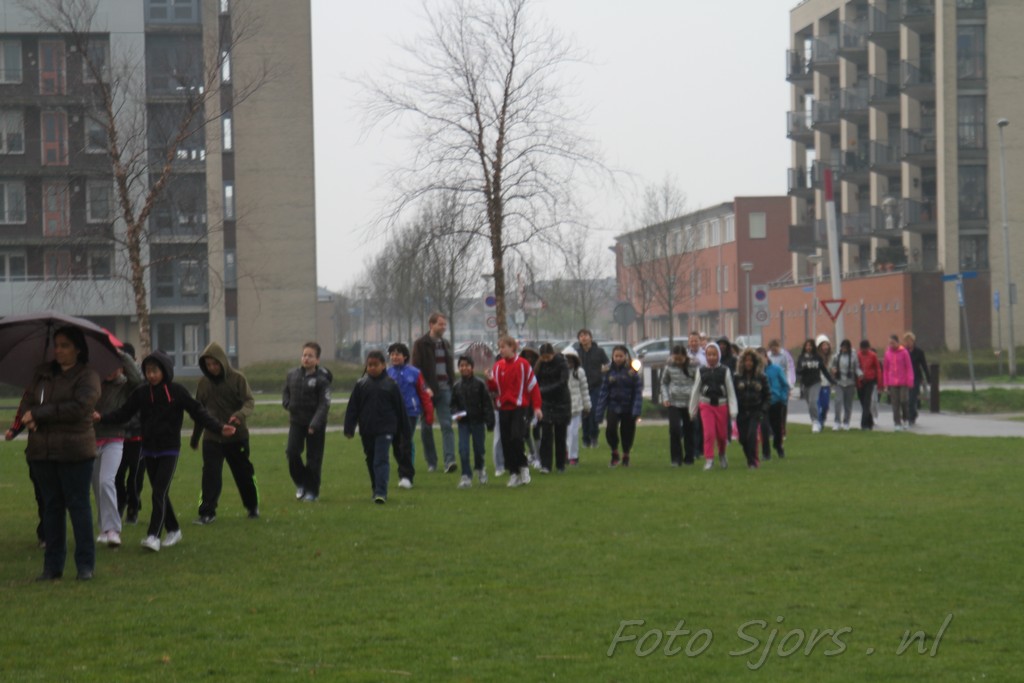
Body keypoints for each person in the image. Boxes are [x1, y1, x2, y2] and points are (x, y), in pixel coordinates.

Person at [97, 350, 235, 552]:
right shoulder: (142, 393)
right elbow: (124, 413)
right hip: (148, 450)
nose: (151, 375)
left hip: (169, 450)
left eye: (155, 371)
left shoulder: (177, 391)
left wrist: (219, 427)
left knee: (159, 492)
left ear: (165, 370)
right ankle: (174, 530)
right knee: (160, 493)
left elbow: (198, 412)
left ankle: (153, 536)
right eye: (148, 371)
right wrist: (102, 418)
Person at [15, 326, 101, 581]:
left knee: (78, 506)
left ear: (78, 349)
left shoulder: (88, 376)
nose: (59, 350)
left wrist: (39, 414)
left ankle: (85, 565)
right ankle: (52, 567)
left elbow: (80, 407)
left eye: (65, 345)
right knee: (51, 508)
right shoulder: (42, 374)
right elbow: (28, 401)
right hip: (42, 452)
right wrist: (28, 417)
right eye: (57, 345)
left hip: (75, 452)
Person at [189, 342, 259, 525]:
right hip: (212, 438)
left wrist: (239, 415)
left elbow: (249, 401)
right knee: (210, 475)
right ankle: (207, 512)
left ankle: (252, 506)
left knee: (243, 473)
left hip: (237, 436)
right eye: (208, 364)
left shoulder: (238, 379)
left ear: (222, 362)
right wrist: (195, 437)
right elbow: (199, 412)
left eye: (215, 364)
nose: (212, 368)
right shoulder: (203, 384)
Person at [343, 351, 411, 504]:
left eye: (375, 365)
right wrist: (349, 428)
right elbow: (353, 408)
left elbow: (400, 409)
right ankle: (376, 488)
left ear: (383, 366)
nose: (372, 368)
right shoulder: (361, 384)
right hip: (367, 429)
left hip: (386, 429)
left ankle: (381, 492)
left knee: (381, 459)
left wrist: (405, 430)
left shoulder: (391, 385)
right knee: (371, 459)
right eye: (369, 365)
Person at [93, 349, 143, 547]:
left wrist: (122, 355)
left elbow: (138, 379)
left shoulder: (124, 385)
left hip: (114, 439)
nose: (109, 371)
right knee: (97, 487)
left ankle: (113, 529)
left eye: (113, 367)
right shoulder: (95, 383)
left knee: (107, 482)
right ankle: (104, 528)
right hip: (91, 439)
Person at [486, 336, 542, 488]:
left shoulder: (523, 365)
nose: (501, 350)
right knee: (506, 442)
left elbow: (533, 387)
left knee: (517, 437)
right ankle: (513, 473)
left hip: (519, 408)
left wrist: (537, 407)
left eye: (503, 347)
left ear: (512, 347)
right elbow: (494, 389)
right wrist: (490, 380)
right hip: (503, 409)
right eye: (499, 347)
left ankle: (523, 466)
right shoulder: (498, 366)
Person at [283, 341, 332, 502]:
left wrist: (314, 424)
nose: (306, 358)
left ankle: (312, 491)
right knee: (292, 452)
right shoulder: (292, 375)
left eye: (310, 356)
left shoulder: (322, 380)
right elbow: (286, 393)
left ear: (317, 360)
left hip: (315, 424)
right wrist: (288, 405)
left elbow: (324, 404)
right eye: (304, 355)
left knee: (314, 458)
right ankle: (301, 482)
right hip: (296, 421)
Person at [411, 312, 456, 473]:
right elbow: (416, 369)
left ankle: (450, 461)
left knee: (447, 425)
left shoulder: (446, 344)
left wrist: (452, 383)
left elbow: (450, 367)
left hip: (445, 390)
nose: (443, 327)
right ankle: (432, 462)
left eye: (444, 324)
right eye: (440, 324)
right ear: (431, 325)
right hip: (427, 392)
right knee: (426, 427)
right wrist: (425, 388)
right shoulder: (420, 344)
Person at [387, 342, 433, 490]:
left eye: (398, 354)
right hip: (392, 414)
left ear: (405, 356)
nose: (395, 357)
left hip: (410, 413)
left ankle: (406, 476)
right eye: (392, 354)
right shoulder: (387, 373)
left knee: (405, 442)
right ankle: (404, 468)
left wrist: (428, 413)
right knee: (396, 445)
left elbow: (423, 393)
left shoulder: (415, 373)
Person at [6, 389, 46, 548]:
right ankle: (45, 533)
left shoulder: (64, 388)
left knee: (54, 495)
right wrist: (13, 430)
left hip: (58, 449)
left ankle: (50, 533)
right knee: (41, 494)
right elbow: (22, 414)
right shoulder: (31, 391)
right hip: (36, 450)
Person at [688, 341, 738, 471]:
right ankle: (709, 459)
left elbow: (730, 390)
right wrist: (692, 410)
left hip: (721, 405)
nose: (711, 357)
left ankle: (722, 454)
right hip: (706, 405)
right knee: (709, 433)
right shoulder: (701, 370)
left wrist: (733, 410)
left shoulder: (724, 370)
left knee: (722, 435)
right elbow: (696, 390)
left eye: (714, 355)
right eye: (709, 355)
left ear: (718, 355)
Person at [450, 355, 495, 487]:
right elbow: (452, 404)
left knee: (479, 449)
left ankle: (480, 468)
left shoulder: (480, 384)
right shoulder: (457, 386)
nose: (464, 368)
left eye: (467, 365)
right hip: (463, 423)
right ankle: (466, 476)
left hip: (478, 421)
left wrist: (489, 421)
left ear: (472, 367)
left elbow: (487, 404)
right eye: (461, 366)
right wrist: (455, 414)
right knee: (463, 450)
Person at [596, 345, 643, 468]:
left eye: (620, 356)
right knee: (610, 430)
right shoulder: (608, 372)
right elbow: (604, 392)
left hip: (628, 407)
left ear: (625, 357)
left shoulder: (632, 372)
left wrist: (636, 410)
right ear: (612, 357)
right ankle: (614, 452)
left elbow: (637, 392)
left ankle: (626, 454)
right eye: (616, 356)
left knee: (627, 432)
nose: (618, 358)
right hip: (613, 406)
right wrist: (599, 411)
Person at [113, 342, 145, 525]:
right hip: (118, 434)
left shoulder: (139, 378)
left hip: (138, 434)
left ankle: (133, 506)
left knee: (135, 476)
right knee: (117, 475)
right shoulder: (114, 379)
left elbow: (138, 381)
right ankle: (121, 502)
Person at [534, 343, 571, 474]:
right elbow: (535, 381)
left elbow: (563, 382)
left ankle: (560, 464)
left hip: (561, 402)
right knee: (546, 435)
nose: (546, 360)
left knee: (560, 435)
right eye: (543, 358)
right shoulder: (539, 366)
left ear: (553, 354)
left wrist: (544, 390)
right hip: (546, 403)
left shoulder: (562, 363)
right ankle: (546, 465)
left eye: (548, 357)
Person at [733, 348, 771, 469]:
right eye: (746, 361)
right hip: (741, 411)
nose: (748, 363)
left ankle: (753, 462)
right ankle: (750, 458)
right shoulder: (737, 377)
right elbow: (733, 394)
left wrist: (763, 410)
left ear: (755, 362)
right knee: (743, 439)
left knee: (751, 436)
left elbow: (768, 396)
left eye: (751, 361)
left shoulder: (761, 377)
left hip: (755, 411)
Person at [573, 329, 609, 449]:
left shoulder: (599, 351)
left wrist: (603, 371)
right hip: (582, 387)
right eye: (581, 336)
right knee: (585, 413)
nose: (583, 338)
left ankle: (594, 437)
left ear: (591, 337)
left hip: (596, 386)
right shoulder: (576, 353)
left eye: (586, 335)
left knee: (593, 412)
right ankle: (585, 439)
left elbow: (607, 364)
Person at [661, 344, 695, 466]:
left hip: (689, 403)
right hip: (673, 402)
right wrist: (665, 398)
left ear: (685, 357)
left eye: (680, 359)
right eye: (676, 359)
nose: (678, 362)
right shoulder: (669, 367)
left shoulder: (693, 367)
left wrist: (695, 400)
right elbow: (664, 383)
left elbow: (698, 383)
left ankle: (689, 457)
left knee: (689, 430)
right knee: (674, 429)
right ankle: (676, 458)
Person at [796, 338, 835, 433]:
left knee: (813, 402)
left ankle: (816, 422)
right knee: (810, 405)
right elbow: (798, 371)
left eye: (810, 345)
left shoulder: (817, 357)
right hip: (806, 384)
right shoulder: (801, 357)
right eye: (807, 346)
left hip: (816, 382)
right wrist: (804, 368)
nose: (808, 347)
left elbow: (824, 370)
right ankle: (814, 419)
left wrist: (831, 380)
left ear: (813, 347)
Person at [561, 347, 591, 466]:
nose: (569, 363)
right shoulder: (560, 372)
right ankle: (565, 452)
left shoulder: (579, 372)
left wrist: (587, 406)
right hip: (563, 407)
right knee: (564, 433)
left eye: (571, 360)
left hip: (576, 407)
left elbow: (584, 389)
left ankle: (573, 456)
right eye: (566, 360)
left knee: (573, 433)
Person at [761, 347, 790, 459]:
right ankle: (766, 453)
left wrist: (782, 398)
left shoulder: (776, 369)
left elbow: (784, 385)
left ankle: (779, 447)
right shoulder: (756, 372)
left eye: (761, 358)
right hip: (763, 404)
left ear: (766, 357)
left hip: (776, 402)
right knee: (764, 428)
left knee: (777, 428)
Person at [883, 334, 914, 431]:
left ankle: (905, 419)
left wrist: (910, 380)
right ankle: (897, 422)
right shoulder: (888, 353)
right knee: (895, 403)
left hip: (903, 381)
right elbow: (886, 369)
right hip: (893, 382)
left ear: (897, 342)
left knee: (904, 400)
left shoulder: (904, 352)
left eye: (893, 343)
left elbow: (909, 367)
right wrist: (885, 383)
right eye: (890, 343)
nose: (891, 345)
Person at [830, 339, 862, 431]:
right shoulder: (836, 356)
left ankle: (846, 422)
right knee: (838, 401)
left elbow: (856, 368)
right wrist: (833, 370)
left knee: (848, 404)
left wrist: (860, 374)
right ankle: (837, 421)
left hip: (850, 382)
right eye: (842, 347)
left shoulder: (853, 357)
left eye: (845, 347)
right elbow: (832, 366)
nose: (844, 349)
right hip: (839, 382)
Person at [903, 332, 930, 427]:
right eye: (906, 341)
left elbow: (924, 365)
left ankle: (911, 417)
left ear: (913, 341)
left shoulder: (919, 352)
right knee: (906, 398)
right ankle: (913, 413)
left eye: (909, 341)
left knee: (912, 397)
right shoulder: (904, 352)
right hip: (905, 377)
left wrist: (928, 377)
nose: (908, 343)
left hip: (916, 377)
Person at [857, 340, 883, 430]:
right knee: (863, 403)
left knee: (867, 402)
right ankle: (870, 421)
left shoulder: (873, 356)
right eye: (862, 349)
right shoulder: (858, 355)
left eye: (865, 349)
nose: (864, 351)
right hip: (860, 381)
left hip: (870, 381)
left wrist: (879, 383)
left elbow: (878, 369)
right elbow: (856, 367)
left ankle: (864, 424)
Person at [815, 334, 833, 426]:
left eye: (827, 345)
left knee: (825, 405)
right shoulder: (815, 358)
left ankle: (823, 417)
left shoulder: (831, 358)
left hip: (826, 385)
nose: (825, 347)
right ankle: (819, 422)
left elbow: (831, 370)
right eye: (823, 345)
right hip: (816, 384)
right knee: (817, 405)